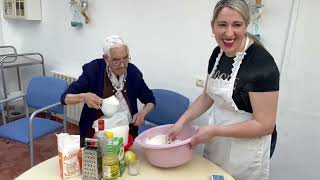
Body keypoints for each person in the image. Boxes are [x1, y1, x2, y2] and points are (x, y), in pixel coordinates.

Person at [169, 0, 279, 179]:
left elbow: (265, 125)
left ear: (246, 25)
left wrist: (215, 131)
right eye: (222, 24)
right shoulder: (218, 53)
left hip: (247, 148)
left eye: (237, 25)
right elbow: (208, 96)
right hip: (219, 138)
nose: (229, 33)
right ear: (212, 26)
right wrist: (182, 121)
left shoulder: (261, 64)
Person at [61, 35, 156, 146]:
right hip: (96, 133)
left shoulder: (133, 72)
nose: (122, 65)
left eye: (125, 58)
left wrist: (143, 113)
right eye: (116, 60)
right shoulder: (93, 70)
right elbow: (65, 98)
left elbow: (150, 100)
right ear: (106, 58)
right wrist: (83, 97)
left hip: (125, 131)